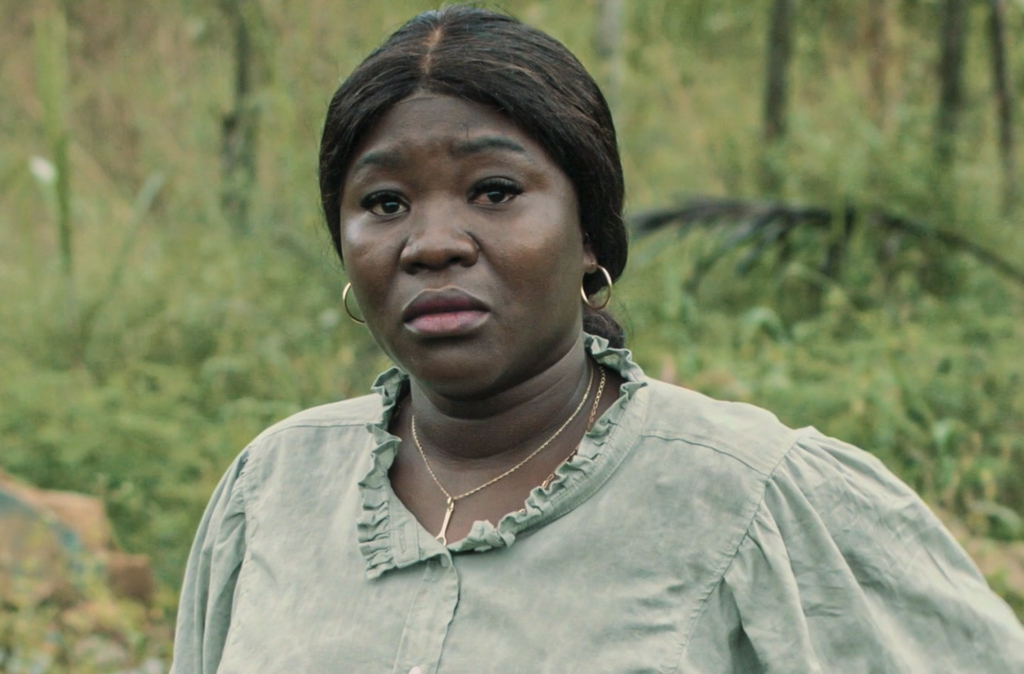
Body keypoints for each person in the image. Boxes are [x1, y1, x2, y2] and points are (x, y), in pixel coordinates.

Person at [170, 6, 1024, 673]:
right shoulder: (274, 490)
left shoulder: (749, 497)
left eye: (495, 190)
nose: (431, 242)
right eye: (385, 203)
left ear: (587, 234)